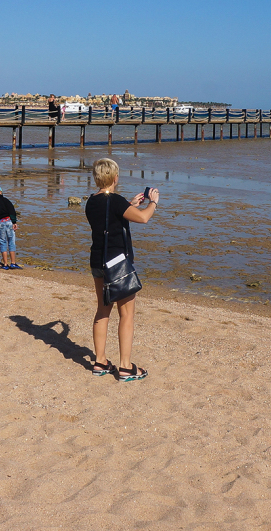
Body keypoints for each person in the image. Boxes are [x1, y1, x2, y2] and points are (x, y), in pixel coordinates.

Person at [85, 157, 158, 381]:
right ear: (115, 178)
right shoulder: (115, 201)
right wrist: (152, 202)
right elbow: (144, 219)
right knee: (126, 314)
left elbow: (111, 218)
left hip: (98, 261)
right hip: (117, 263)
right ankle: (125, 366)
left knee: (102, 310)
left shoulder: (92, 201)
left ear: (97, 178)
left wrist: (130, 205)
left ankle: (100, 361)